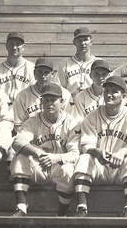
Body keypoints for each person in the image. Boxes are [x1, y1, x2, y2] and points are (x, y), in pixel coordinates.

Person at [73, 76, 127, 218]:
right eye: (107, 91)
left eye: (114, 91)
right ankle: (81, 208)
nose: (109, 94)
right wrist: (97, 152)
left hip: (121, 169)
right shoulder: (92, 117)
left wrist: (123, 152)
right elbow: (86, 145)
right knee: (85, 157)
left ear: (123, 96)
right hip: (98, 168)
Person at [10, 83, 80, 217]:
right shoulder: (33, 121)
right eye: (46, 100)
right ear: (41, 102)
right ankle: (21, 208)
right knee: (19, 157)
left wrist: (56, 158)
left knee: (69, 170)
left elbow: (75, 154)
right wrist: (39, 153)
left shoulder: (72, 123)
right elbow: (17, 141)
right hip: (39, 166)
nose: (49, 104)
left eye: (53, 100)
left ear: (62, 102)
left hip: (59, 167)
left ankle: (61, 213)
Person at [13, 57, 71, 132]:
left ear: (52, 74)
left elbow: (69, 122)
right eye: (39, 72)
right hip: (31, 136)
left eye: (46, 72)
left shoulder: (64, 94)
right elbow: (18, 126)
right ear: (34, 73)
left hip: (58, 135)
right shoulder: (23, 96)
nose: (43, 76)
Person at [0, 32, 35, 103]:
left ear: (23, 47)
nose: (14, 47)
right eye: (11, 44)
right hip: (4, 109)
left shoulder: (32, 68)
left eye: (18, 44)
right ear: (6, 46)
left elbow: (34, 93)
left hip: (25, 109)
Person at [55, 27, 97, 101]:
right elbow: (57, 88)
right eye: (79, 40)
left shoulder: (99, 63)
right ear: (74, 42)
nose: (82, 43)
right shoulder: (65, 64)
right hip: (71, 105)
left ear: (91, 42)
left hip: (92, 104)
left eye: (85, 40)